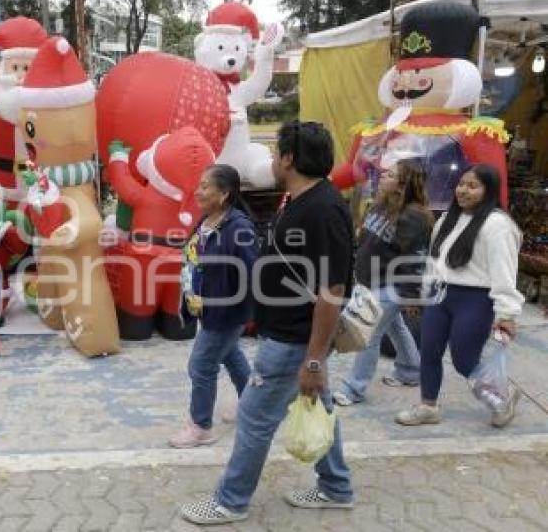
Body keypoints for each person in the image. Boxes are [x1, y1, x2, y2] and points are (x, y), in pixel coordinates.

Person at [180, 121, 355, 525]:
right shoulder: (299, 200)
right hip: (288, 333)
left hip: (294, 340)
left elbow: (332, 291)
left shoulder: (324, 209)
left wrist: (313, 360)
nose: (273, 159)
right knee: (318, 407)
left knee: (255, 418)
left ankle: (231, 501)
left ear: (290, 158)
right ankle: (336, 486)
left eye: (277, 152)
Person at [396, 164, 524, 428]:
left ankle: (502, 397)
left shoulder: (498, 225)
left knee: (464, 361)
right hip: (440, 297)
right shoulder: (446, 219)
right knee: (428, 352)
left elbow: (505, 272)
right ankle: (428, 406)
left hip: (474, 301)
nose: (463, 190)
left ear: (488, 191)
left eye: (472, 186)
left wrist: (507, 314)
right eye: (461, 184)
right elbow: (434, 262)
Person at [170, 164, 258, 448]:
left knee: (201, 365)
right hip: (205, 308)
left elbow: (253, 272)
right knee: (230, 354)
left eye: (205, 186)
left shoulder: (239, 228)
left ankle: (201, 427)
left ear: (224, 193)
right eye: (199, 185)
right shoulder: (207, 220)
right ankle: (251, 403)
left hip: (225, 312)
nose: (198, 191)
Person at [333, 159, 434, 406]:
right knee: (394, 327)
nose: (383, 176)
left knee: (367, 333)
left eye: (390, 174)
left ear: (403, 184)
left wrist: (412, 296)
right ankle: (410, 370)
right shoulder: (381, 205)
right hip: (370, 282)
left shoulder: (415, 217)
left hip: (392, 286)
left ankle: (354, 388)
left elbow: (414, 259)